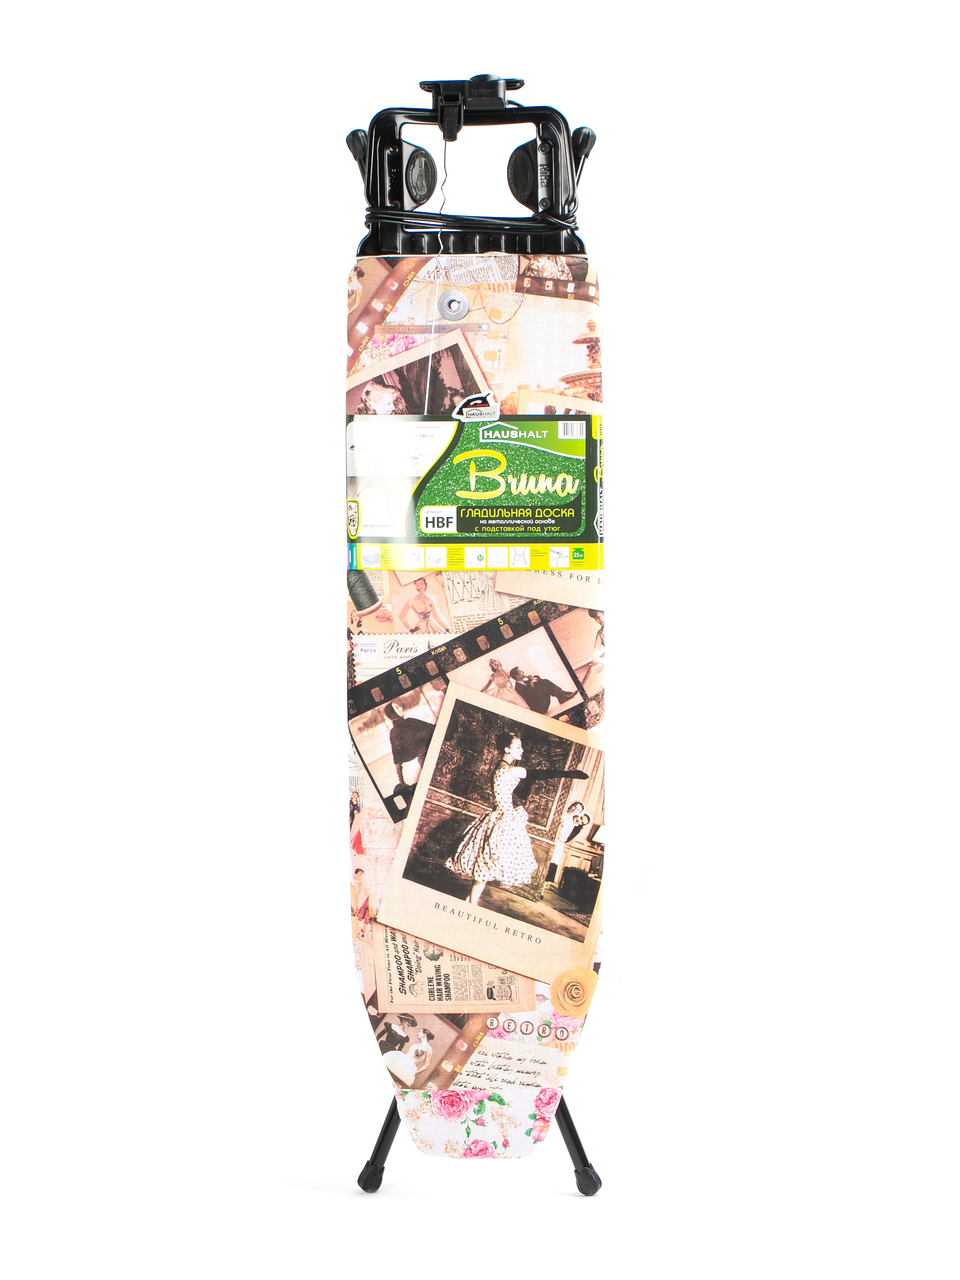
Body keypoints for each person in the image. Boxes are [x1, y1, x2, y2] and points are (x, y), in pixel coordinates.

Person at [445, 731, 588, 906]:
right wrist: (571, 774)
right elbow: (542, 774)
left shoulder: (500, 767)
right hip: (504, 819)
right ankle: (471, 903)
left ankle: (470, 900)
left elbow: (518, 792)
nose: (522, 750)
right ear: (507, 749)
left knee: (486, 863)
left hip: (499, 816)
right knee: (486, 864)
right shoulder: (511, 770)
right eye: (518, 747)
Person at [385, 702, 434, 788]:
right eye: (397, 707)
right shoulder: (409, 722)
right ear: (393, 713)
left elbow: (397, 760)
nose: (401, 707)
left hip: (424, 761)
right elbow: (432, 728)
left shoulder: (393, 733)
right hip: (432, 755)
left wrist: (402, 782)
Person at [544, 800, 592, 887]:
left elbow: (565, 838)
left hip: (558, 842)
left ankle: (543, 885)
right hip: (549, 837)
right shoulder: (565, 815)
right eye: (581, 818)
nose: (579, 821)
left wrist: (561, 833)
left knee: (551, 863)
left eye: (582, 822)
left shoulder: (574, 826)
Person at [509, 666, 577, 715]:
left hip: (540, 703)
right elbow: (529, 698)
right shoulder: (518, 688)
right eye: (521, 671)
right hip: (539, 708)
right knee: (546, 684)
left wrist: (533, 679)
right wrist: (531, 683)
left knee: (545, 682)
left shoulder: (526, 682)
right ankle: (562, 696)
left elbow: (539, 680)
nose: (523, 672)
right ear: (517, 676)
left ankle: (562, 695)